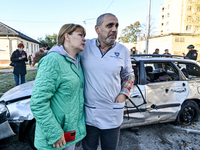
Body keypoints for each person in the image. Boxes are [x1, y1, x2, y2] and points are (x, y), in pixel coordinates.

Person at [80, 13, 134, 150]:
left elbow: (129, 76)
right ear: (97, 29)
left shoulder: (123, 51)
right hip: (89, 112)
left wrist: (123, 95)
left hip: (112, 113)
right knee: (88, 148)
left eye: (116, 26)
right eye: (110, 25)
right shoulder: (85, 47)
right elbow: (66, 52)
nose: (114, 29)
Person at [30, 24, 86, 150]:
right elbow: (38, 103)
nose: (84, 39)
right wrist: (55, 133)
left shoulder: (76, 60)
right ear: (67, 36)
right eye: (80, 35)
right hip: (54, 138)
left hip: (69, 134)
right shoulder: (53, 60)